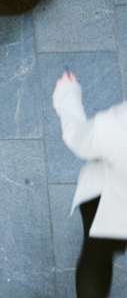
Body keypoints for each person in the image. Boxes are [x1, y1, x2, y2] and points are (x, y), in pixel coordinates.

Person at [53, 70, 127, 297]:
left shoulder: (119, 125)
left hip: (113, 207)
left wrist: (67, 95)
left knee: (96, 254)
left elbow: (79, 139)